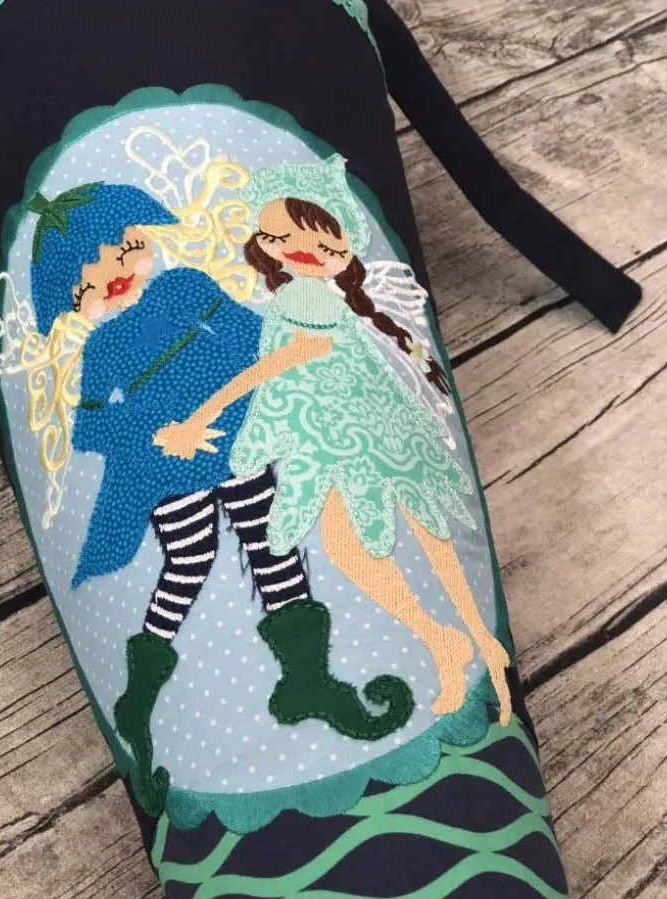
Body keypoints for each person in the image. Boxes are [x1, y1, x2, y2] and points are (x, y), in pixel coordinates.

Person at [25, 179, 415, 813]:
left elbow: (250, 338)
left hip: (235, 445)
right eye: (89, 283)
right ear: (76, 299)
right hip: (165, 469)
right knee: (190, 559)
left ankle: (307, 678)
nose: (115, 276)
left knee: (272, 540)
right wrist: (156, 433)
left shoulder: (186, 288)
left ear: (142, 239)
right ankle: (140, 694)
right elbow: (91, 428)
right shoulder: (102, 348)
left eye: (124, 250)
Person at [154, 156, 512, 723]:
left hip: (355, 436)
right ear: (263, 243)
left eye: (317, 239)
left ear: (341, 244)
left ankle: (467, 644)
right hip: (359, 431)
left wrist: (204, 415)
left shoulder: (303, 298)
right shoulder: (304, 295)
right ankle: (462, 642)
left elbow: (291, 357)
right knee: (405, 540)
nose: (295, 249)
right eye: (278, 237)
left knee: (407, 540)